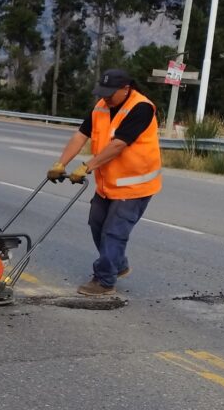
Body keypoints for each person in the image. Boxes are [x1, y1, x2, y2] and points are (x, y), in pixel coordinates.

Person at [47, 68, 162, 296]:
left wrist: (87, 166)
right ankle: (118, 264)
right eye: (103, 92)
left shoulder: (141, 108)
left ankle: (104, 280)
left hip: (134, 186)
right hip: (108, 184)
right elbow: (81, 135)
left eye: (111, 93)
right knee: (96, 223)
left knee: (113, 232)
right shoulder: (101, 106)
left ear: (126, 89)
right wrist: (60, 164)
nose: (106, 97)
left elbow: (118, 144)